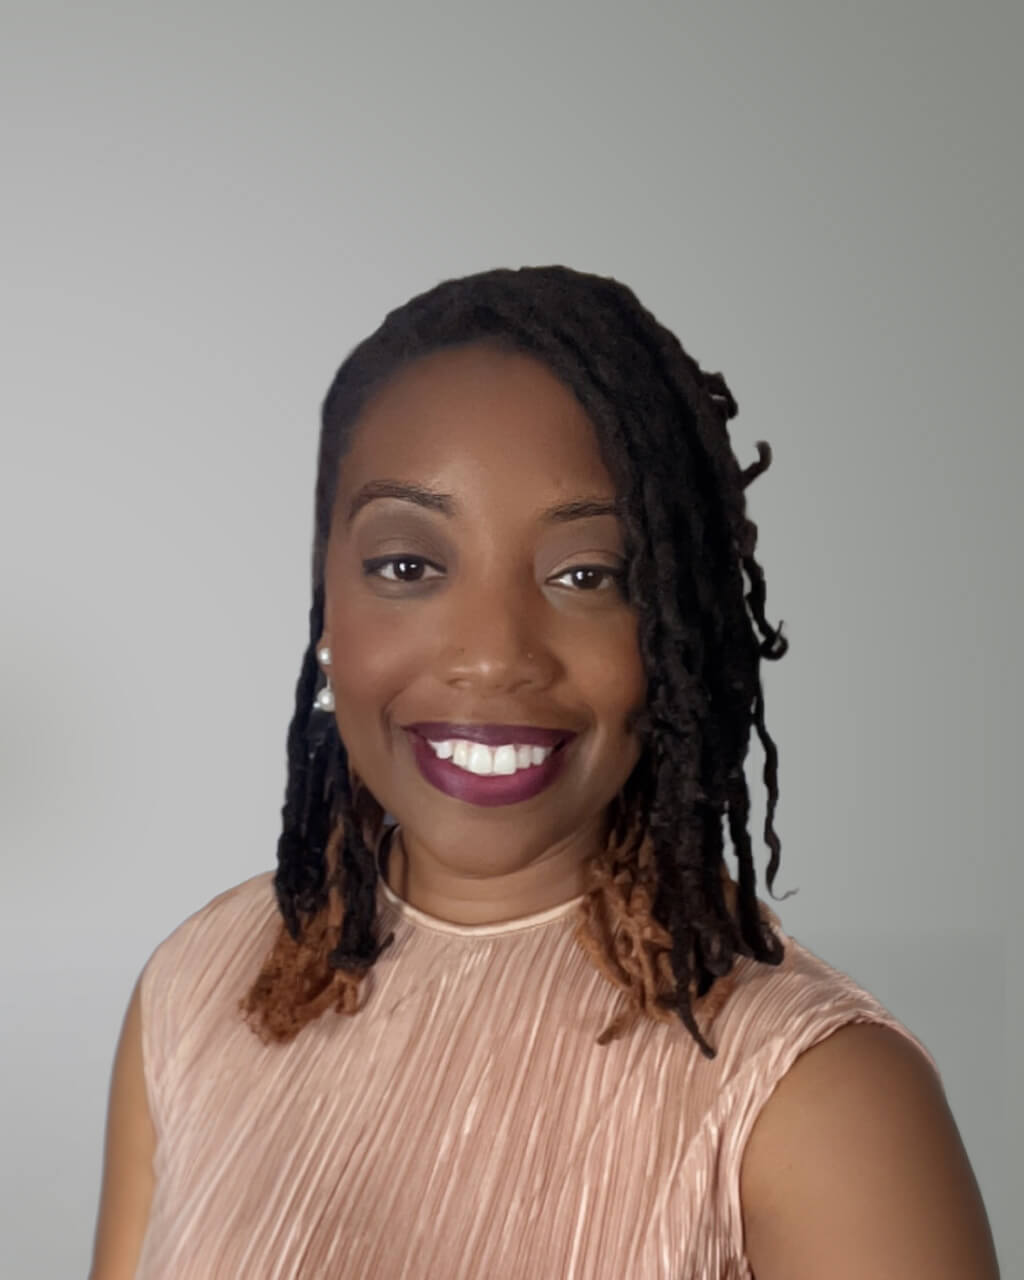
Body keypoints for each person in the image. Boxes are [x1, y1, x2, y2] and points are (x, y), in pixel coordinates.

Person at [90, 266, 1000, 1279]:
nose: (492, 652)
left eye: (586, 575)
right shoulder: (196, 989)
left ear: (677, 626)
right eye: (408, 565)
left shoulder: (821, 1095)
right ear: (326, 596)